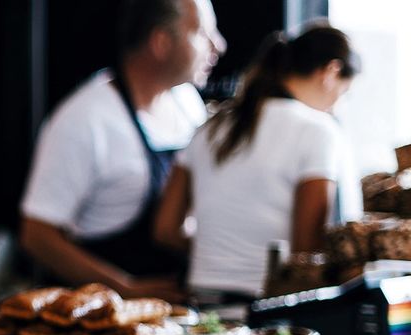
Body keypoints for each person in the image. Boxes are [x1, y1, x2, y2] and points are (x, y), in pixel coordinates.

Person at [20, 0, 224, 301]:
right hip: (99, 317)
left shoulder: (187, 103)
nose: (218, 45)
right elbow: (37, 236)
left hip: (175, 310)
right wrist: (124, 289)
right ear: (161, 42)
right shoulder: (85, 119)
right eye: (202, 33)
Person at [154, 25, 361, 300]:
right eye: (344, 94)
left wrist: (221, 254)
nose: (337, 104)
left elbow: (165, 230)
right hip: (270, 307)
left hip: (202, 302)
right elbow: (306, 252)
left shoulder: (210, 127)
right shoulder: (318, 131)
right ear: (331, 72)